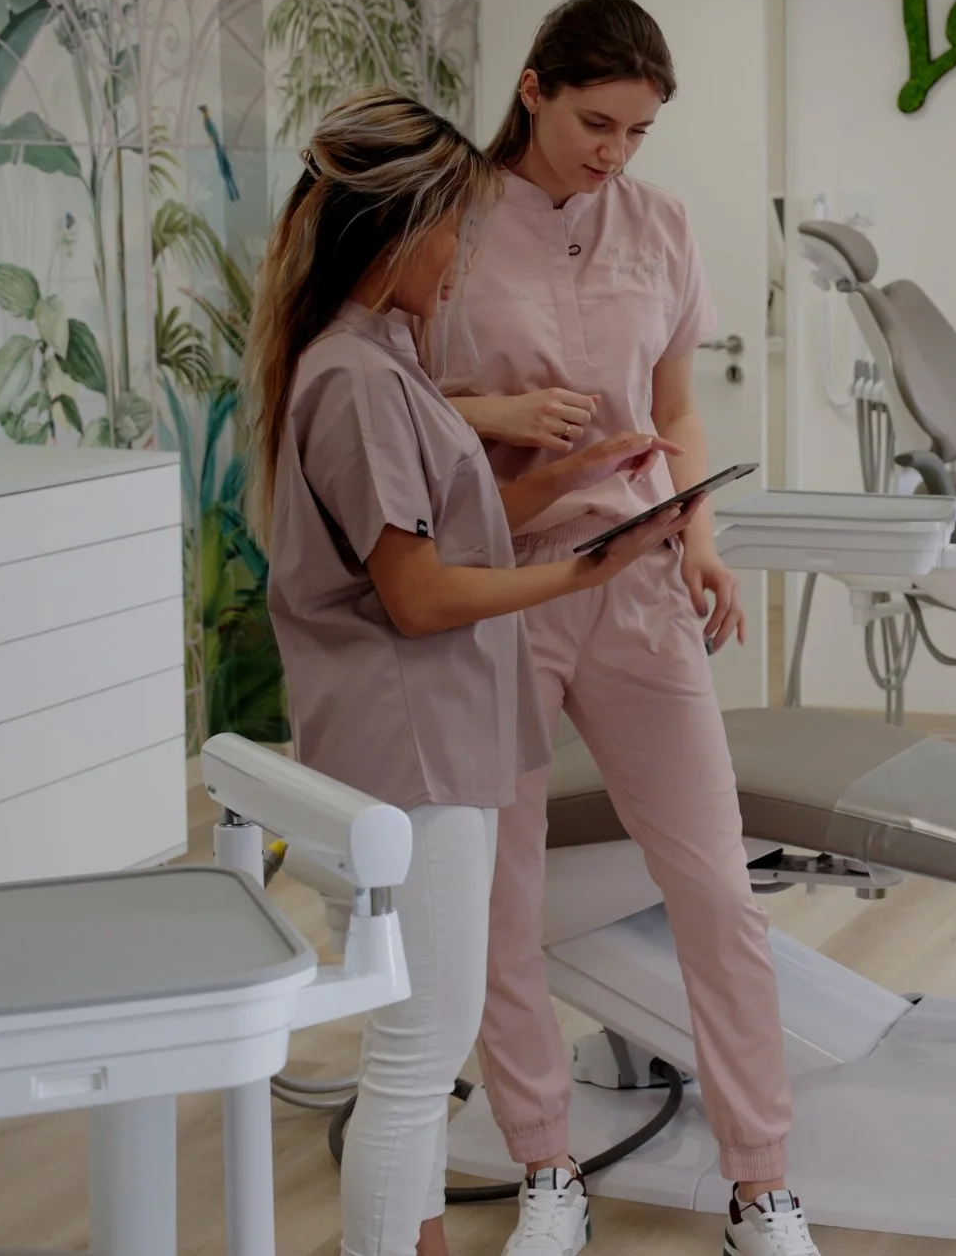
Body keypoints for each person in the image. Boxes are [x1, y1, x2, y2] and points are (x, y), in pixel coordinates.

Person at [249, 88, 699, 1256]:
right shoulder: (349, 376)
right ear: (396, 230)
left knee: (415, 1042)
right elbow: (419, 592)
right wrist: (582, 573)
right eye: (451, 226)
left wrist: (571, 482)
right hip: (413, 754)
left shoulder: (378, 355)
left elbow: (431, 532)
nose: (462, 257)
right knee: (416, 1060)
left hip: (425, 740)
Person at [435, 0, 819, 1256]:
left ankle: (761, 1183)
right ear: (533, 88)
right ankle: (548, 1166)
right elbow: (383, 406)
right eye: (597, 121)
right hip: (498, 584)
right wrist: (501, 421)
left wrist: (700, 537)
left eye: (640, 130)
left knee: (715, 883)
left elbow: (676, 407)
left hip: (640, 575)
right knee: (502, 889)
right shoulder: (442, 221)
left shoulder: (659, 224)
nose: (615, 151)